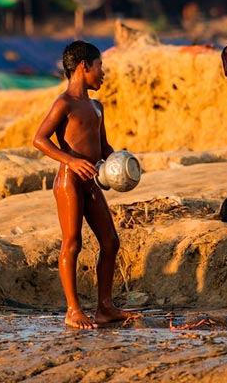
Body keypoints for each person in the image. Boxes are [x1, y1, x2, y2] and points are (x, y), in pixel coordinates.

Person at [32, 40, 138, 329]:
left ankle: (105, 308)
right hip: (69, 181)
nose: (103, 72)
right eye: (100, 66)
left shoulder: (96, 106)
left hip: (92, 182)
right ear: (84, 66)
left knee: (111, 241)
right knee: (73, 242)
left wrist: (121, 164)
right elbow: (39, 139)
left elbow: (103, 147)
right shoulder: (64, 103)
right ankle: (73, 310)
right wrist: (70, 161)